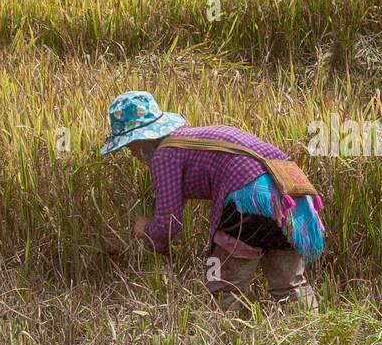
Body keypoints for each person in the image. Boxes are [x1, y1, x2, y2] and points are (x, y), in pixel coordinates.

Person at [102, 91, 324, 311]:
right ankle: (312, 336)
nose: (130, 153)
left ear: (141, 140)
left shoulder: (164, 155)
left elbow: (169, 222)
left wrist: (146, 230)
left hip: (248, 202)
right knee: (290, 287)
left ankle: (225, 340)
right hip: (292, 201)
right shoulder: (193, 140)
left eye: (128, 146)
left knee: (220, 284)